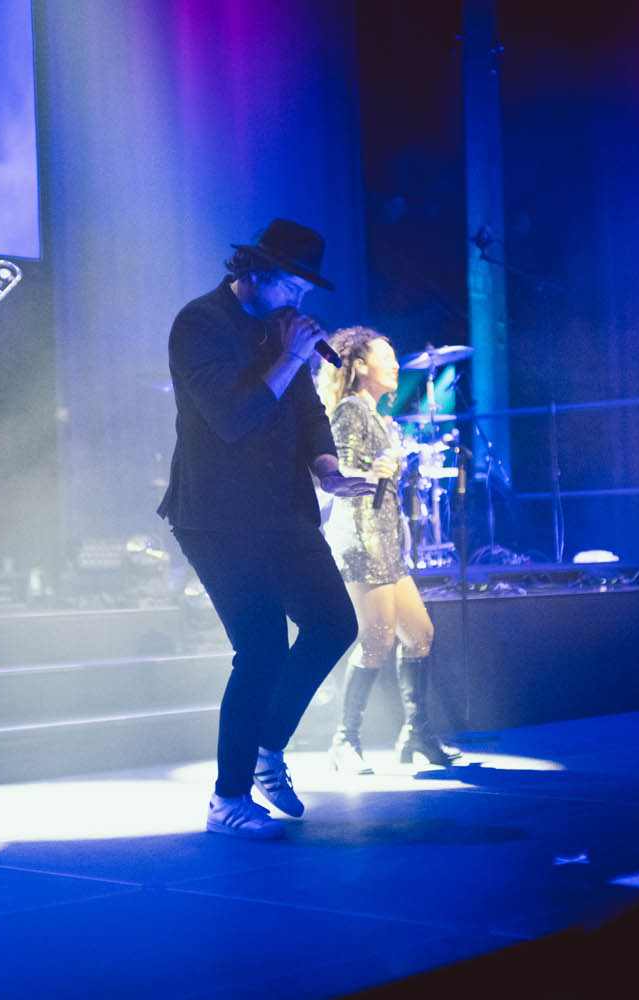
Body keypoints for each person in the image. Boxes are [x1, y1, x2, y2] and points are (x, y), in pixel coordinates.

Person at [158, 219, 373, 839]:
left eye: (305, 291)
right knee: (261, 647)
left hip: (282, 508)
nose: (299, 302)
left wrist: (327, 468)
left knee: (334, 624)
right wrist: (291, 356)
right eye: (292, 286)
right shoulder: (199, 323)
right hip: (218, 515)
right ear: (253, 270)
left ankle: (266, 749)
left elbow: (307, 411)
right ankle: (227, 799)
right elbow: (232, 418)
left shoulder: (279, 332)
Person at [317, 328, 461, 774]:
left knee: (419, 633)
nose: (396, 363)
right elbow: (336, 472)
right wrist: (372, 471)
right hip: (360, 540)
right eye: (386, 356)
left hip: (385, 542)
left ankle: (416, 732)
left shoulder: (378, 416)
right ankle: (344, 740)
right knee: (376, 639)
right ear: (359, 365)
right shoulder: (349, 411)